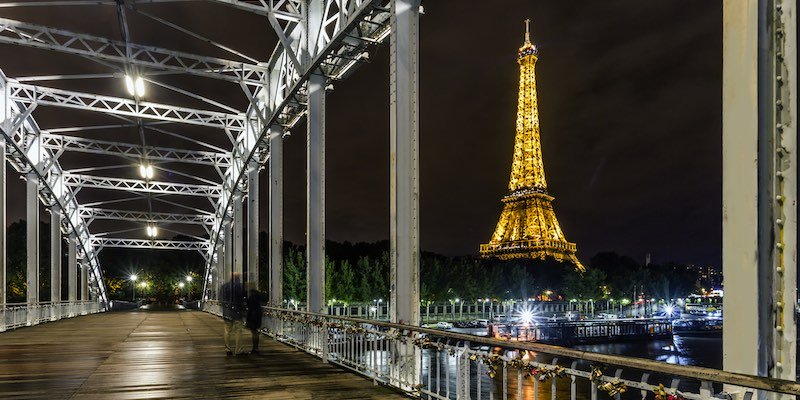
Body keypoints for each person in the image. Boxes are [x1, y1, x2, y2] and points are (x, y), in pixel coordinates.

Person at [219, 272, 245, 355]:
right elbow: (244, 299)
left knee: (227, 331)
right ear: (238, 278)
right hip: (238, 311)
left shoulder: (224, 286)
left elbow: (220, 299)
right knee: (238, 331)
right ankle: (238, 350)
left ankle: (228, 349)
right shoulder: (241, 286)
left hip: (227, 311)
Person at [245, 284, 266, 354]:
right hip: (258, 315)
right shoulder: (258, 295)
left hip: (252, 315)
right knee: (256, 332)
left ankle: (255, 348)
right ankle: (256, 348)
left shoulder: (251, 296)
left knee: (254, 332)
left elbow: (248, 305)